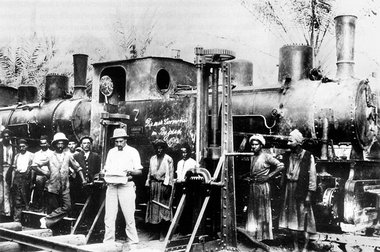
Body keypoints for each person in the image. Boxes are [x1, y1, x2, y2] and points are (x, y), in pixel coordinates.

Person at [31, 132, 86, 228]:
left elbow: (78, 168)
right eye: (58, 143)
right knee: (53, 208)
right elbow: (34, 165)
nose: (60, 146)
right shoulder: (50, 156)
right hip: (53, 187)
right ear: (55, 144)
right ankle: (51, 230)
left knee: (67, 207)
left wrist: (83, 180)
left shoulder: (68, 156)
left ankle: (47, 220)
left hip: (65, 187)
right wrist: (45, 173)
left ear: (65, 145)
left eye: (62, 143)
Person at [278, 129, 317, 252]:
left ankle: (304, 248)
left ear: (298, 142)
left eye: (291, 141)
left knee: (305, 220)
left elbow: (312, 177)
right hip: (289, 190)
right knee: (292, 220)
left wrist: (309, 195)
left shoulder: (307, 156)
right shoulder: (287, 156)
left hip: (302, 189)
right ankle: (295, 247)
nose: (288, 143)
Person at [102, 128, 142, 244]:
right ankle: (108, 242)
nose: (119, 144)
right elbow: (106, 168)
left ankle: (133, 241)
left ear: (125, 140)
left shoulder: (133, 151)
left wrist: (130, 172)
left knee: (129, 215)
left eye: (121, 141)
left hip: (126, 186)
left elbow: (139, 171)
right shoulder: (111, 152)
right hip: (112, 186)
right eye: (116, 142)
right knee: (109, 216)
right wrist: (104, 172)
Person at [245, 134, 284, 241]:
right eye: (252, 145)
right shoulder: (252, 156)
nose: (253, 147)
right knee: (253, 211)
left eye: (256, 144)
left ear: (261, 145)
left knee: (262, 211)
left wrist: (268, 176)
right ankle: (253, 237)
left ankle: (263, 237)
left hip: (263, 187)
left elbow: (280, 166)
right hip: (253, 186)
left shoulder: (266, 156)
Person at [145, 139, 174, 241]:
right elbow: (149, 173)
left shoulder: (168, 159)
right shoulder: (152, 159)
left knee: (164, 209)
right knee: (154, 209)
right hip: (153, 186)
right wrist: (148, 184)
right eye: (157, 147)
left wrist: (168, 187)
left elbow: (170, 175)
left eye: (161, 147)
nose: (159, 150)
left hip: (163, 186)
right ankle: (155, 233)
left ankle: (164, 233)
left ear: (164, 148)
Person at [11, 139, 34, 221]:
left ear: (26, 146)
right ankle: (17, 219)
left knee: (26, 198)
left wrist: (31, 181)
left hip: (26, 177)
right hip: (18, 177)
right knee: (17, 199)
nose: (21, 148)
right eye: (20, 147)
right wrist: (13, 181)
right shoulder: (17, 156)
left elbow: (33, 169)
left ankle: (28, 219)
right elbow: (14, 169)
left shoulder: (31, 155)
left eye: (23, 146)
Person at [73, 136, 101, 203]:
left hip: (92, 184)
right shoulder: (76, 156)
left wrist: (93, 180)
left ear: (91, 145)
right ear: (81, 145)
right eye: (84, 143)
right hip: (79, 184)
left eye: (88, 143)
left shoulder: (96, 156)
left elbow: (97, 170)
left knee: (92, 202)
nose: (86, 145)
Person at [30, 135, 53, 212]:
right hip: (40, 174)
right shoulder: (37, 154)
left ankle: (48, 208)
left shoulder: (52, 153)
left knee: (49, 192)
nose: (43, 145)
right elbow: (34, 166)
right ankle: (40, 207)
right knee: (39, 190)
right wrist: (44, 172)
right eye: (41, 143)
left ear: (48, 143)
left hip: (51, 175)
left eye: (45, 143)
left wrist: (48, 173)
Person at [0, 128, 16, 217]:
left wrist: (10, 170)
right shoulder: (0, 145)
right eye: (5, 136)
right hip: (1, 168)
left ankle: (7, 212)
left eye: (8, 136)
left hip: (9, 169)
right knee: (1, 191)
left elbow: (13, 159)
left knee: (7, 190)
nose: (6, 138)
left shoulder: (12, 147)